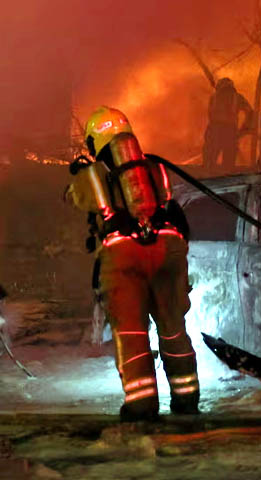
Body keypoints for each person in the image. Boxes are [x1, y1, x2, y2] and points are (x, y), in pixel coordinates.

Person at [65, 106, 199, 422]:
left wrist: (76, 178)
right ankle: (187, 399)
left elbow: (77, 198)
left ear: (96, 141)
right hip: (168, 246)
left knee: (132, 333)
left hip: (125, 252)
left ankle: (141, 406)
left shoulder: (93, 174)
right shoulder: (155, 168)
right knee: (173, 328)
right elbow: (172, 207)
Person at [202, 77, 252, 172]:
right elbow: (250, 112)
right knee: (214, 161)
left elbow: (250, 113)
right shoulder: (233, 97)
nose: (226, 95)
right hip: (221, 130)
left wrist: (244, 129)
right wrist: (244, 129)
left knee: (220, 162)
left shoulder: (219, 97)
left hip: (221, 130)